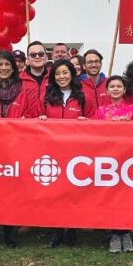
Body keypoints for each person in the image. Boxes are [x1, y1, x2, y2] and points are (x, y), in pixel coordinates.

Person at [0, 50, 40, 247]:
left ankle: (10, 234)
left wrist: (23, 122)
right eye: (0, 65)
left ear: (14, 68)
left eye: (7, 65)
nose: (4, 68)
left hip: (15, 148)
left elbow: (34, 113)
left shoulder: (24, 88)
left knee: (12, 192)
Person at [38, 59, 96, 248]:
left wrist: (85, 121)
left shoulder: (84, 95)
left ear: (72, 74)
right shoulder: (46, 95)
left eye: (65, 73)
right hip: (52, 151)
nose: (62, 77)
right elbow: (35, 116)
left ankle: (71, 229)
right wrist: (41, 118)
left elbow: (95, 119)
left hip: (76, 152)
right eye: (58, 74)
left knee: (73, 192)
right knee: (54, 192)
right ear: (53, 77)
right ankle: (56, 231)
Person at [94, 75, 133, 253]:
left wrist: (128, 126)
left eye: (119, 86)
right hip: (108, 159)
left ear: (124, 89)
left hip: (128, 159)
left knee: (127, 196)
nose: (115, 89)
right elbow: (95, 134)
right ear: (106, 91)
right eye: (112, 86)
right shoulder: (101, 111)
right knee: (111, 196)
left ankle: (126, 232)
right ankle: (114, 233)